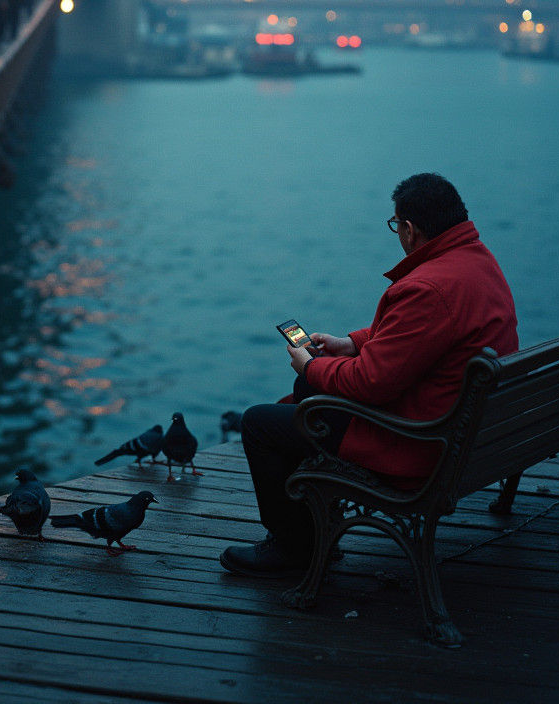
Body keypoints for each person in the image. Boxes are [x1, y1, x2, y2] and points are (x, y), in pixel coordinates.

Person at [219, 173, 518, 577]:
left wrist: (311, 363)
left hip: (420, 442)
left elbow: (371, 383)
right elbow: (423, 337)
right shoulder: (476, 261)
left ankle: (294, 549)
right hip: (467, 431)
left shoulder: (428, 286)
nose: (397, 234)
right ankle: (312, 531)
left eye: (396, 226)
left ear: (410, 229)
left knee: (259, 422)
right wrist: (352, 343)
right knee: (307, 393)